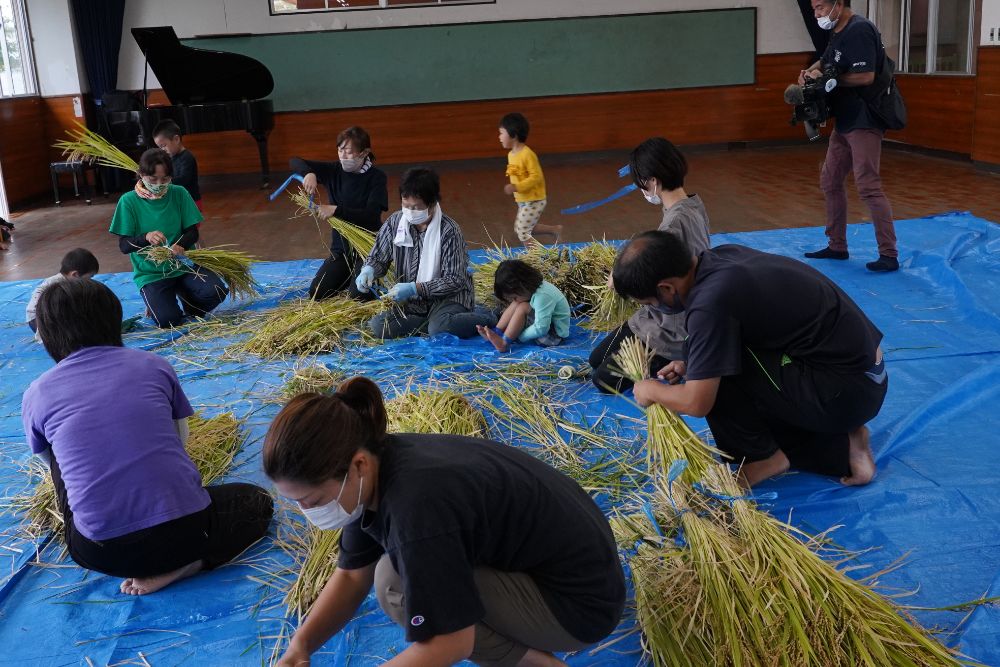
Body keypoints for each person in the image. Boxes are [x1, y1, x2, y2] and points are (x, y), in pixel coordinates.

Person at [263, 377, 625, 667]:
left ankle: (533, 663)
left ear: (357, 465)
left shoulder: (416, 507)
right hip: (569, 566)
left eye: (313, 501)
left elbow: (452, 642)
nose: (308, 512)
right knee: (394, 573)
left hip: (580, 605)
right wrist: (300, 646)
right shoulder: (374, 463)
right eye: (296, 503)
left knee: (394, 586)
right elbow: (351, 576)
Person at [21, 278, 273, 595]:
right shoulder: (153, 365)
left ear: (47, 335)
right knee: (256, 502)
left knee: (58, 450)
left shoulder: (37, 393)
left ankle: (172, 562)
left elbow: (52, 466)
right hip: (187, 533)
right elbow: (180, 440)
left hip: (99, 552)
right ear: (113, 320)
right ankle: (192, 564)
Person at [613, 231, 887, 488]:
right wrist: (690, 364)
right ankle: (845, 445)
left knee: (716, 372)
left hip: (846, 394)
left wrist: (651, 390)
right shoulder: (722, 257)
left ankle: (763, 459)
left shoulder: (710, 303)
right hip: (865, 378)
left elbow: (696, 402)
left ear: (666, 288)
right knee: (705, 354)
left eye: (649, 303)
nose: (653, 309)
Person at [589, 138, 710, 393]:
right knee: (595, 359)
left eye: (640, 183)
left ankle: (670, 358)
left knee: (603, 380)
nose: (641, 190)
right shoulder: (692, 204)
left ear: (652, 181)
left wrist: (620, 279)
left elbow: (652, 281)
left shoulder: (673, 226)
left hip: (671, 327)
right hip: (654, 317)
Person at [799, 0, 899, 272]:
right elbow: (827, 59)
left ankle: (888, 254)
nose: (817, 14)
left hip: (864, 118)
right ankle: (837, 245)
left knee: (868, 186)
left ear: (838, 4)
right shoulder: (838, 31)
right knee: (830, 180)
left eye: (820, 7)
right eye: (814, 9)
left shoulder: (860, 29)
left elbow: (866, 76)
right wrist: (810, 71)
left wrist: (829, 82)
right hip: (845, 119)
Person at [353, 167, 496, 339]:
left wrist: (415, 288)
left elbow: (455, 280)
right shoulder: (395, 222)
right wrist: (368, 270)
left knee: (441, 328)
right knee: (379, 326)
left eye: (416, 207)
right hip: (413, 302)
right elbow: (378, 257)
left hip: (447, 298)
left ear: (432, 204)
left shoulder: (449, 231)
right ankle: (433, 323)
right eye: (406, 205)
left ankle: (488, 317)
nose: (410, 211)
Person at [109, 148, 228, 328]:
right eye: (153, 179)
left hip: (184, 264)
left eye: (165, 179)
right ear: (141, 175)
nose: (159, 184)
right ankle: (158, 301)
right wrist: (146, 237)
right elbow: (124, 246)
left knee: (217, 291)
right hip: (152, 273)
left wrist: (181, 245)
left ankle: (189, 302)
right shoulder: (128, 201)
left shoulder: (179, 193)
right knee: (168, 320)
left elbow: (192, 232)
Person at [291, 126, 389, 300]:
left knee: (358, 296)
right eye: (340, 150)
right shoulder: (333, 170)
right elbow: (294, 161)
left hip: (367, 250)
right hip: (341, 249)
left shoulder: (377, 177)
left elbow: (371, 216)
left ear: (364, 152)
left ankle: (369, 274)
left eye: (349, 152)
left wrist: (336, 210)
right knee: (318, 292)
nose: (343, 156)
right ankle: (347, 275)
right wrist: (309, 173)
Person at [477, 259, 570, 353]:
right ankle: (497, 332)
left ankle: (504, 343)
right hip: (546, 328)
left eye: (514, 297)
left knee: (523, 306)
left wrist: (520, 337)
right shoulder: (532, 289)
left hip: (554, 337)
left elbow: (541, 328)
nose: (514, 300)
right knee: (517, 303)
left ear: (522, 286)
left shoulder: (543, 296)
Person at [499, 113, 561, 247]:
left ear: (514, 135)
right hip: (523, 200)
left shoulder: (527, 154)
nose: (500, 137)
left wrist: (516, 187)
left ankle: (538, 255)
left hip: (534, 200)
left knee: (523, 232)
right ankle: (554, 229)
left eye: (502, 133)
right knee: (523, 228)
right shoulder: (511, 155)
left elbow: (536, 177)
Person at [25, 247, 99, 335]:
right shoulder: (55, 285)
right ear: (75, 274)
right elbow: (38, 308)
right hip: (39, 321)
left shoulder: (71, 281)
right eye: (90, 277)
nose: (90, 281)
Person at [153, 120, 202, 212]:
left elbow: (184, 179)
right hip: (180, 201)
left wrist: (165, 181)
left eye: (164, 145)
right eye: (160, 147)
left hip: (191, 201)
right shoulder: (170, 158)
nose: (162, 150)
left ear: (176, 139)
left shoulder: (187, 157)